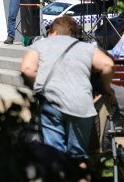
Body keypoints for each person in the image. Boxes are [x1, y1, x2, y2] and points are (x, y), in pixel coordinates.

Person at [20, 16, 114, 166]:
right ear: (74, 34)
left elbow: (27, 68)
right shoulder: (86, 47)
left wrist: (40, 86)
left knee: (54, 153)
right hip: (80, 103)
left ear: (53, 32)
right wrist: (105, 87)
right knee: (79, 155)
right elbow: (107, 64)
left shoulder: (41, 45)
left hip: (51, 102)